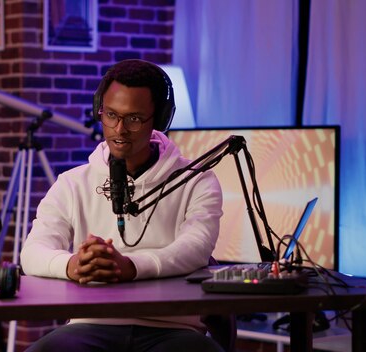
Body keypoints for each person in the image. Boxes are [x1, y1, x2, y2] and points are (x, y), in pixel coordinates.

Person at [20, 59, 224, 352]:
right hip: (89, 326)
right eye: (111, 115)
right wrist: (72, 265)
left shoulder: (197, 180)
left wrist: (129, 267)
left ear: (160, 119)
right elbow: (32, 252)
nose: (119, 129)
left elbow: (195, 247)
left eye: (134, 119)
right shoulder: (71, 183)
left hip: (173, 330)